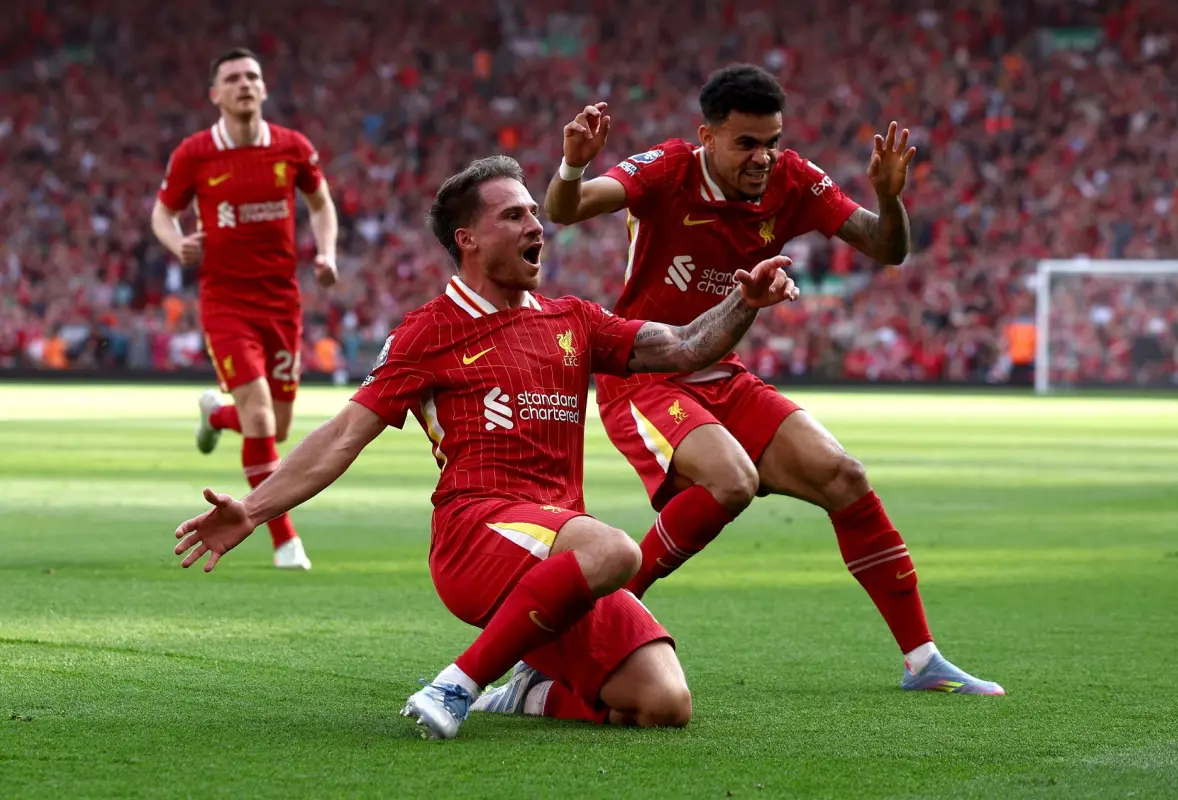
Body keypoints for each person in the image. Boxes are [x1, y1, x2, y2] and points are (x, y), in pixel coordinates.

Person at [171, 155, 800, 740]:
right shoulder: (427, 332)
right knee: (616, 549)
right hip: (477, 535)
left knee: (665, 705)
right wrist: (253, 510)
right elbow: (341, 436)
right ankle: (457, 685)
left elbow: (688, 346)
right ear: (467, 240)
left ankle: (523, 692)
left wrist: (743, 301)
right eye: (515, 215)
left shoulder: (573, 319)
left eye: (534, 212)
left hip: (561, 549)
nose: (537, 225)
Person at [519, 63, 1004, 696]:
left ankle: (923, 661)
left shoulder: (795, 181)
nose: (764, 157)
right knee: (731, 481)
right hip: (646, 374)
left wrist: (889, 197)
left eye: (772, 141)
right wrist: (573, 165)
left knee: (844, 477)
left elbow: (888, 248)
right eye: (747, 143)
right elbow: (568, 207)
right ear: (708, 137)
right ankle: (574, 626)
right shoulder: (667, 169)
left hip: (723, 373)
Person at [152, 48, 341, 570]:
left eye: (252, 76)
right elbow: (162, 214)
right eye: (232, 78)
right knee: (259, 415)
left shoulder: (292, 148)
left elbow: (322, 204)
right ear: (215, 94)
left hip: (282, 302)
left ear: (264, 88)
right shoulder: (194, 154)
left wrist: (325, 252)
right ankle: (285, 540)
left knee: (275, 429)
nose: (244, 84)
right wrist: (177, 245)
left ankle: (214, 413)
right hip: (226, 301)